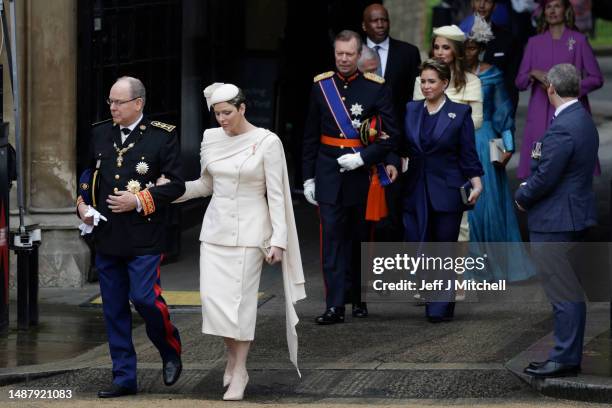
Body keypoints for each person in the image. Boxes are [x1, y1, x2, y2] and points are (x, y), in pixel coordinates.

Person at [173, 83, 306, 400]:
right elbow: (205, 185)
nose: (222, 119)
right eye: (218, 114)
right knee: (216, 303)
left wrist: (279, 238)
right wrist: (168, 192)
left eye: (227, 113)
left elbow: (276, 195)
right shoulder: (210, 138)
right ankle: (232, 359)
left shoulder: (267, 142)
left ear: (243, 108)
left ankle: (240, 369)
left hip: (250, 233)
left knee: (240, 305)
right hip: (215, 232)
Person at [76, 76, 184, 398]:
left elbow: (176, 184)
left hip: (145, 235)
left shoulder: (162, 137)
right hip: (108, 234)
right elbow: (86, 174)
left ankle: (169, 349)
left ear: (138, 103)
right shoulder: (99, 132)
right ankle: (124, 376)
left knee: (145, 298)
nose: (112, 107)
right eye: (110, 101)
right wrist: (81, 204)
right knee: (113, 308)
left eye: (118, 102)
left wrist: (138, 201)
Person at [302, 30, 398, 324]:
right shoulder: (321, 87)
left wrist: (362, 158)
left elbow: (390, 136)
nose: (344, 59)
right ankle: (334, 305)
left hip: (361, 174)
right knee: (330, 239)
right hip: (328, 172)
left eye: (349, 54)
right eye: (339, 54)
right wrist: (308, 177)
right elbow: (309, 136)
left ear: (359, 55)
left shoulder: (376, 87)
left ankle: (359, 296)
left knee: (359, 238)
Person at [515, 64, 598, 377]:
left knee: (562, 291)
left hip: (556, 219)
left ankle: (564, 357)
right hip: (570, 214)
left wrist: (523, 196)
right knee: (568, 290)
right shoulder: (581, 119)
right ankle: (566, 354)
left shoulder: (564, 126)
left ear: (549, 87)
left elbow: (547, 174)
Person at [390, 59, 484, 322]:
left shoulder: (459, 113)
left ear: (444, 83)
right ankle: (431, 295)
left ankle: (440, 307)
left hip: (447, 191)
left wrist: (476, 182)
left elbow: (467, 153)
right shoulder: (411, 109)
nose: (426, 86)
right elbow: (401, 146)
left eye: (432, 81)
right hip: (415, 189)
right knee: (418, 247)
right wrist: (392, 162)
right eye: (423, 81)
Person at [464, 17, 535, 282]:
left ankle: (496, 265)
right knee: (466, 210)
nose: (468, 52)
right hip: (460, 143)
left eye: (473, 47)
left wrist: (508, 146)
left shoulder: (493, 74)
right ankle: (471, 268)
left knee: (489, 207)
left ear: (480, 48)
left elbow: (504, 113)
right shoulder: (452, 75)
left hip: (486, 142)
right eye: (465, 47)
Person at [515, 0, 603, 179]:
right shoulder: (534, 43)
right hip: (540, 113)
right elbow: (520, 82)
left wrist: (568, 88)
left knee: (572, 171)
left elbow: (596, 79)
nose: (552, 11)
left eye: (557, 6)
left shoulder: (578, 40)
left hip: (570, 111)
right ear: (543, 12)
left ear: (566, 10)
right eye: (548, 7)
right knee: (539, 168)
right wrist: (533, 73)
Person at [414, 24, 483, 242]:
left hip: (457, 158)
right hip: (426, 163)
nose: (441, 52)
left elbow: (477, 120)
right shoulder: (421, 81)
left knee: (459, 227)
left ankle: (457, 276)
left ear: (457, 51)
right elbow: (416, 121)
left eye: (446, 47)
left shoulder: (472, 80)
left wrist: (445, 129)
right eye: (437, 47)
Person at [362, 3, 422, 243]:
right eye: (374, 20)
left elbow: (413, 101)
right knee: (362, 214)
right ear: (364, 25)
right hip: (361, 144)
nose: (380, 24)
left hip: (396, 145)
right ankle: (362, 272)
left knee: (393, 212)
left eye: (383, 20)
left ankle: (392, 273)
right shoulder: (352, 53)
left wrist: (405, 147)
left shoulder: (408, 53)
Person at [459, 0, 521, 111]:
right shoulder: (457, 36)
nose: (482, 5)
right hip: (461, 105)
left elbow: (511, 83)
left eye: (487, 1)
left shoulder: (508, 40)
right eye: (478, 0)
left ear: (495, 6)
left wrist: (508, 115)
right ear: (472, 3)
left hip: (493, 110)